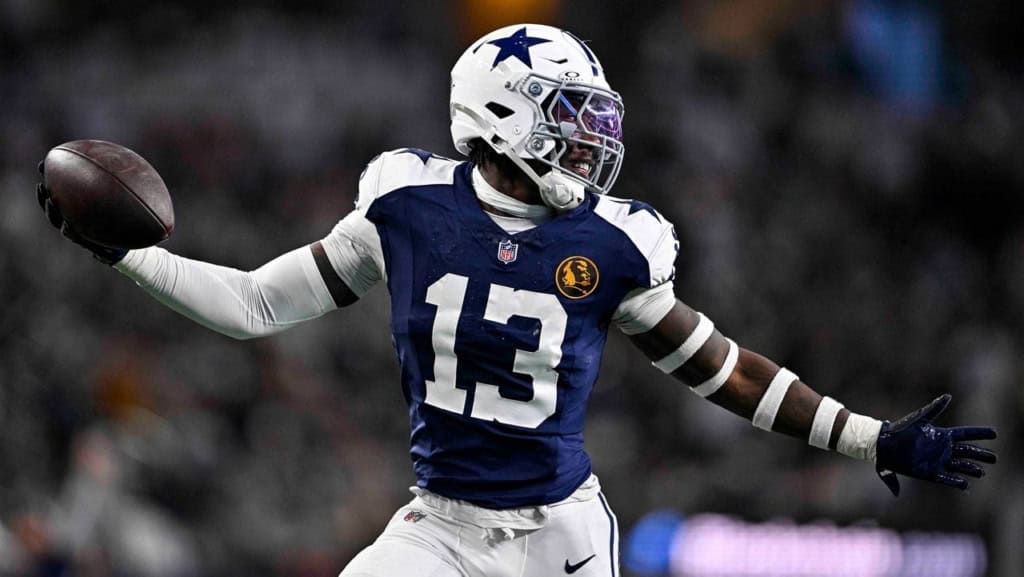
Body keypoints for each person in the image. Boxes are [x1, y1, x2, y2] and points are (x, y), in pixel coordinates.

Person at [37, 23, 998, 577]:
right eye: (569, 121)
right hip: (441, 528)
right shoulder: (406, 206)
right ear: (498, 116)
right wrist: (127, 256)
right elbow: (255, 304)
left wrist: (872, 439)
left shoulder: (615, 243)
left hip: (560, 536)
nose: (592, 145)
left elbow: (725, 370)